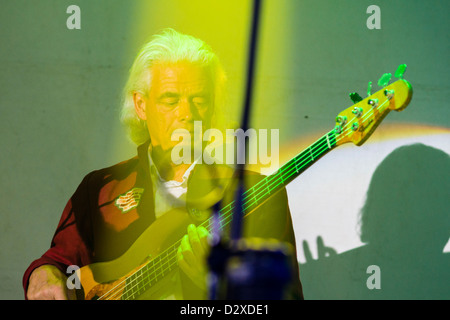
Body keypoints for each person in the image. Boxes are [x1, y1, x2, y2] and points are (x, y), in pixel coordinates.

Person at [23, 28, 303, 300]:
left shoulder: (257, 193)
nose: (187, 113)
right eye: (171, 100)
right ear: (141, 106)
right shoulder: (100, 189)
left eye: (200, 100)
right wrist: (43, 272)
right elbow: (60, 262)